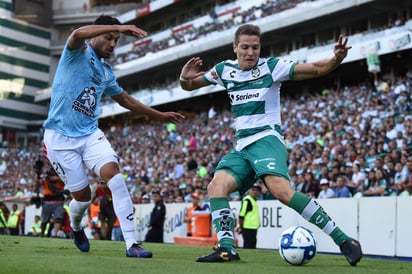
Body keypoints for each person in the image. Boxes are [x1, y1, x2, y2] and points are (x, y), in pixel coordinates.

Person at [179, 23, 362, 265]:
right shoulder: (224, 70)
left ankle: (343, 240)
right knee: (216, 187)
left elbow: (317, 69)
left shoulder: (272, 67)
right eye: (245, 47)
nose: (250, 52)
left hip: (267, 139)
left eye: (255, 47)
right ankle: (226, 248)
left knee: (282, 193)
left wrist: (336, 59)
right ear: (235, 48)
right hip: (243, 146)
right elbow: (189, 85)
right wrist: (184, 76)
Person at [42, 14, 185, 258]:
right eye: (109, 38)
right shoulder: (76, 52)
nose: (112, 44)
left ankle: (132, 244)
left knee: (115, 178)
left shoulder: (106, 73)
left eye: (116, 40)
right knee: (83, 198)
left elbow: (126, 100)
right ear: (95, 34)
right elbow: (77, 34)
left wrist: (158, 115)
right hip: (59, 138)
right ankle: (76, 226)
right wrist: (118, 26)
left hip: (89, 134)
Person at [40, 164, 66, 237]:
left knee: (58, 218)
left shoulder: (62, 175)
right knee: (44, 220)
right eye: (52, 169)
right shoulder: (45, 177)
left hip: (58, 200)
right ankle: (42, 233)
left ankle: (55, 234)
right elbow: (38, 183)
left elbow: (65, 179)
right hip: (47, 201)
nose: (53, 170)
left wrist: (54, 178)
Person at [235, 183, 261, 249]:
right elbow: (241, 215)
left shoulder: (252, 200)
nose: (255, 192)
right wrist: (240, 227)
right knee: (249, 246)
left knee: (251, 245)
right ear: (249, 191)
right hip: (248, 228)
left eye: (257, 190)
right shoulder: (247, 200)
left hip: (252, 228)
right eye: (253, 190)